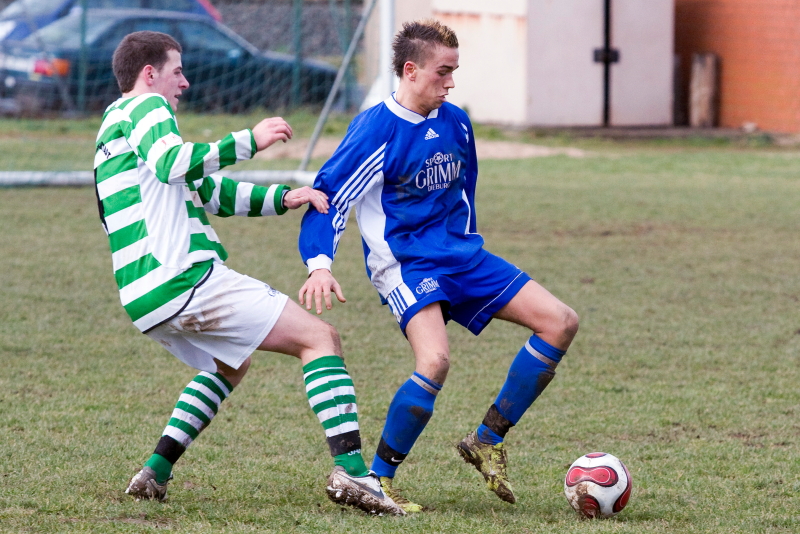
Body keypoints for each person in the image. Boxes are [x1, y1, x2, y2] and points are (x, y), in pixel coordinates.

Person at [94, 30, 404, 516]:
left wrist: (284, 197)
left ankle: (154, 472)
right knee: (320, 338)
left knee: (229, 365)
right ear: (149, 74)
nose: (185, 82)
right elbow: (173, 164)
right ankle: (352, 472)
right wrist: (249, 141)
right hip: (181, 277)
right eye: (178, 71)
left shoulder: (112, 129)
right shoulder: (146, 107)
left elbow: (209, 192)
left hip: (143, 295)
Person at [298, 19, 579, 512]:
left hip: (461, 255)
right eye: (442, 72)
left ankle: (487, 440)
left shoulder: (456, 122)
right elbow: (328, 199)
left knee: (560, 322)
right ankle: (377, 480)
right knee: (434, 361)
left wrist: (467, 248)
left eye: (454, 71)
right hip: (406, 263)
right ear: (410, 70)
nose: (450, 83)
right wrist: (319, 264)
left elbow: (465, 191)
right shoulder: (376, 130)